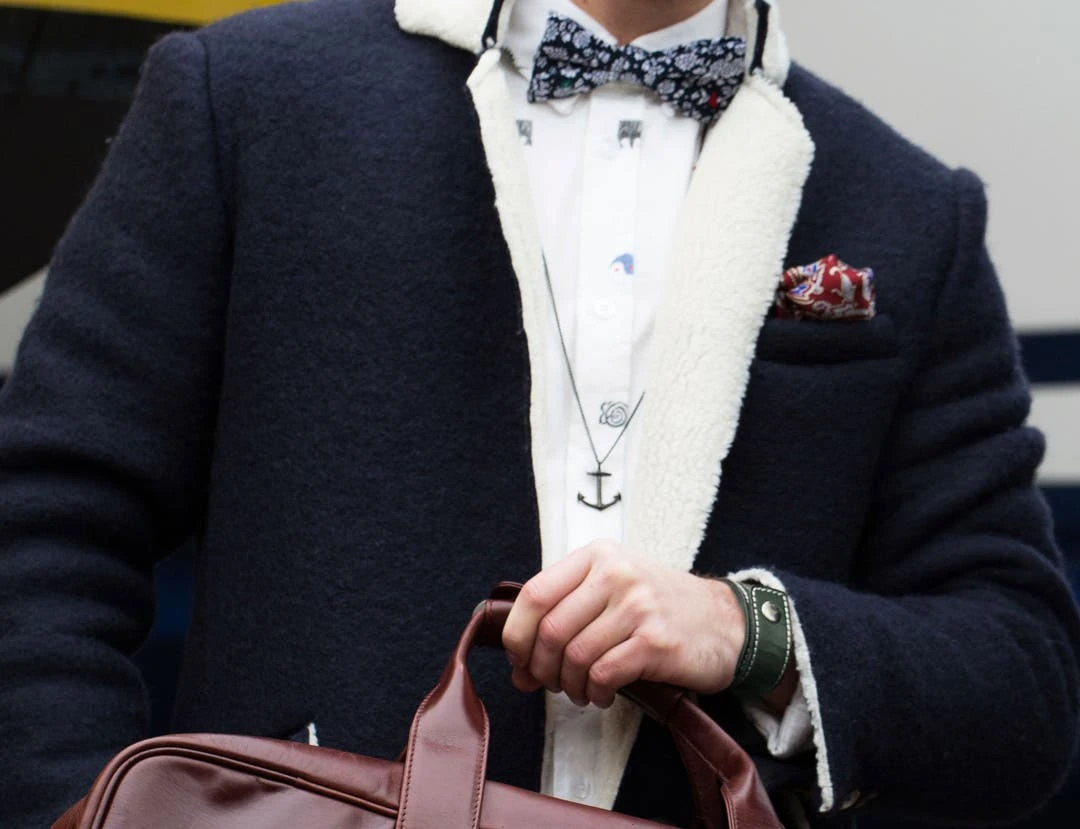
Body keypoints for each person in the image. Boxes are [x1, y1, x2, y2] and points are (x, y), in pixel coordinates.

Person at [1, 0, 1077, 826]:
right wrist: (75, 808)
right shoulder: (249, 96)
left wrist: (747, 630)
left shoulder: (909, 208)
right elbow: (44, 518)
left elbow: (1022, 680)